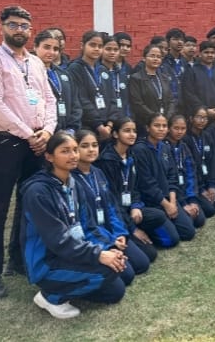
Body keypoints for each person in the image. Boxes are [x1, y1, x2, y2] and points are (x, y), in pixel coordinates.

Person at [0, 6, 57, 298]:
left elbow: (49, 99)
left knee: (29, 203)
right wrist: (29, 134)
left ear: (30, 30)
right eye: (13, 25)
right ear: (1, 27)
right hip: (8, 143)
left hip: (36, 142)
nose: (19, 30)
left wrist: (47, 132)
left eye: (24, 26)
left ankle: (19, 259)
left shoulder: (35, 62)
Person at [21, 132, 126, 319]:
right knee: (108, 270)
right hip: (48, 262)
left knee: (116, 289)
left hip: (73, 252)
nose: (73, 155)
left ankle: (70, 284)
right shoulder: (38, 192)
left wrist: (107, 247)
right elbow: (58, 241)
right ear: (49, 157)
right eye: (65, 151)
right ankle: (49, 296)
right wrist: (98, 255)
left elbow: (87, 226)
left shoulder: (73, 183)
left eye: (75, 150)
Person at [73, 130, 150, 285]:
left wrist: (119, 233)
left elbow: (111, 207)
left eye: (94, 145)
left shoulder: (98, 172)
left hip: (110, 231)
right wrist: (110, 243)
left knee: (143, 263)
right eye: (85, 146)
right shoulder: (72, 179)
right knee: (127, 275)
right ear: (75, 150)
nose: (91, 150)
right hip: (93, 238)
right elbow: (85, 223)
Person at [94, 117, 165, 257]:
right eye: (127, 131)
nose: (132, 134)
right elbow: (111, 200)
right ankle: (130, 235)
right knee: (149, 255)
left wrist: (135, 206)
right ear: (115, 134)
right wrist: (132, 228)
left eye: (134, 131)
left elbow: (135, 187)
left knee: (159, 216)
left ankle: (139, 235)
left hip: (130, 208)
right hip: (116, 214)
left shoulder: (131, 154)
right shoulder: (106, 161)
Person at [130, 113, 196, 243]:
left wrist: (173, 203)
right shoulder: (139, 149)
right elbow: (147, 184)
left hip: (168, 198)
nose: (161, 129)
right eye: (157, 125)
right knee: (172, 240)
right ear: (148, 128)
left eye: (164, 126)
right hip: (152, 202)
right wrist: (166, 205)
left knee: (189, 232)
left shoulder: (165, 147)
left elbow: (172, 176)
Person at [67, 30, 118, 141]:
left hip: (107, 127)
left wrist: (110, 125)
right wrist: (99, 126)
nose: (96, 49)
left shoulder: (103, 69)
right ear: (82, 45)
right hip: (87, 126)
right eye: (92, 45)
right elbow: (82, 99)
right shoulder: (75, 68)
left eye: (100, 46)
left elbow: (113, 98)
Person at [34, 30, 81, 135]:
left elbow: (75, 104)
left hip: (66, 134)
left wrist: (71, 129)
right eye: (46, 47)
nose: (51, 52)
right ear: (35, 47)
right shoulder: (29, 74)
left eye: (55, 49)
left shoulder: (64, 74)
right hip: (42, 134)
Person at [165, 115, 207, 228]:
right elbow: (167, 179)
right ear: (169, 129)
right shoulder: (164, 147)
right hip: (172, 195)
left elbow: (191, 174)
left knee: (200, 220)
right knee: (189, 225)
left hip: (185, 192)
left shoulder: (184, 147)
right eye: (176, 128)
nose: (179, 132)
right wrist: (183, 203)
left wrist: (192, 200)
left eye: (183, 128)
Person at [185, 105, 215, 215]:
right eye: (199, 117)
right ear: (191, 118)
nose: (202, 121)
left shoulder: (207, 136)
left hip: (207, 180)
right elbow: (189, 168)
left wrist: (211, 185)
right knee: (210, 210)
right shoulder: (186, 139)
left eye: (205, 118)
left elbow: (212, 162)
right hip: (195, 184)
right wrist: (202, 189)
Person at [128, 45, 175, 132]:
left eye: (158, 57)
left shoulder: (165, 78)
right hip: (145, 123)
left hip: (164, 122)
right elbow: (137, 103)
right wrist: (155, 118)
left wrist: (166, 117)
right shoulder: (136, 78)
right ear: (144, 58)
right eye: (152, 56)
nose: (155, 59)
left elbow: (171, 100)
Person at [181, 40, 215, 119]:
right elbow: (189, 94)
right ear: (200, 54)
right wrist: (204, 109)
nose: (210, 55)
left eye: (212, 52)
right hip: (199, 115)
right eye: (206, 52)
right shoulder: (192, 71)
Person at [100, 35, 129, 119]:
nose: (112, 52)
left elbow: (126, 100)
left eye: (116, 50)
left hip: (122, 119)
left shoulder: (121, 73)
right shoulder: (97, 72)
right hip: (104, 119)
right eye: (108, 49)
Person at [162, 28, 189, 104]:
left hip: (184, 104)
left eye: (181, 39)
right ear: (168, 42)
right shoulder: (162, 62)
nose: (179, 42)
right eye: (175, 39)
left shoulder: (185, 62)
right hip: (168, 104)